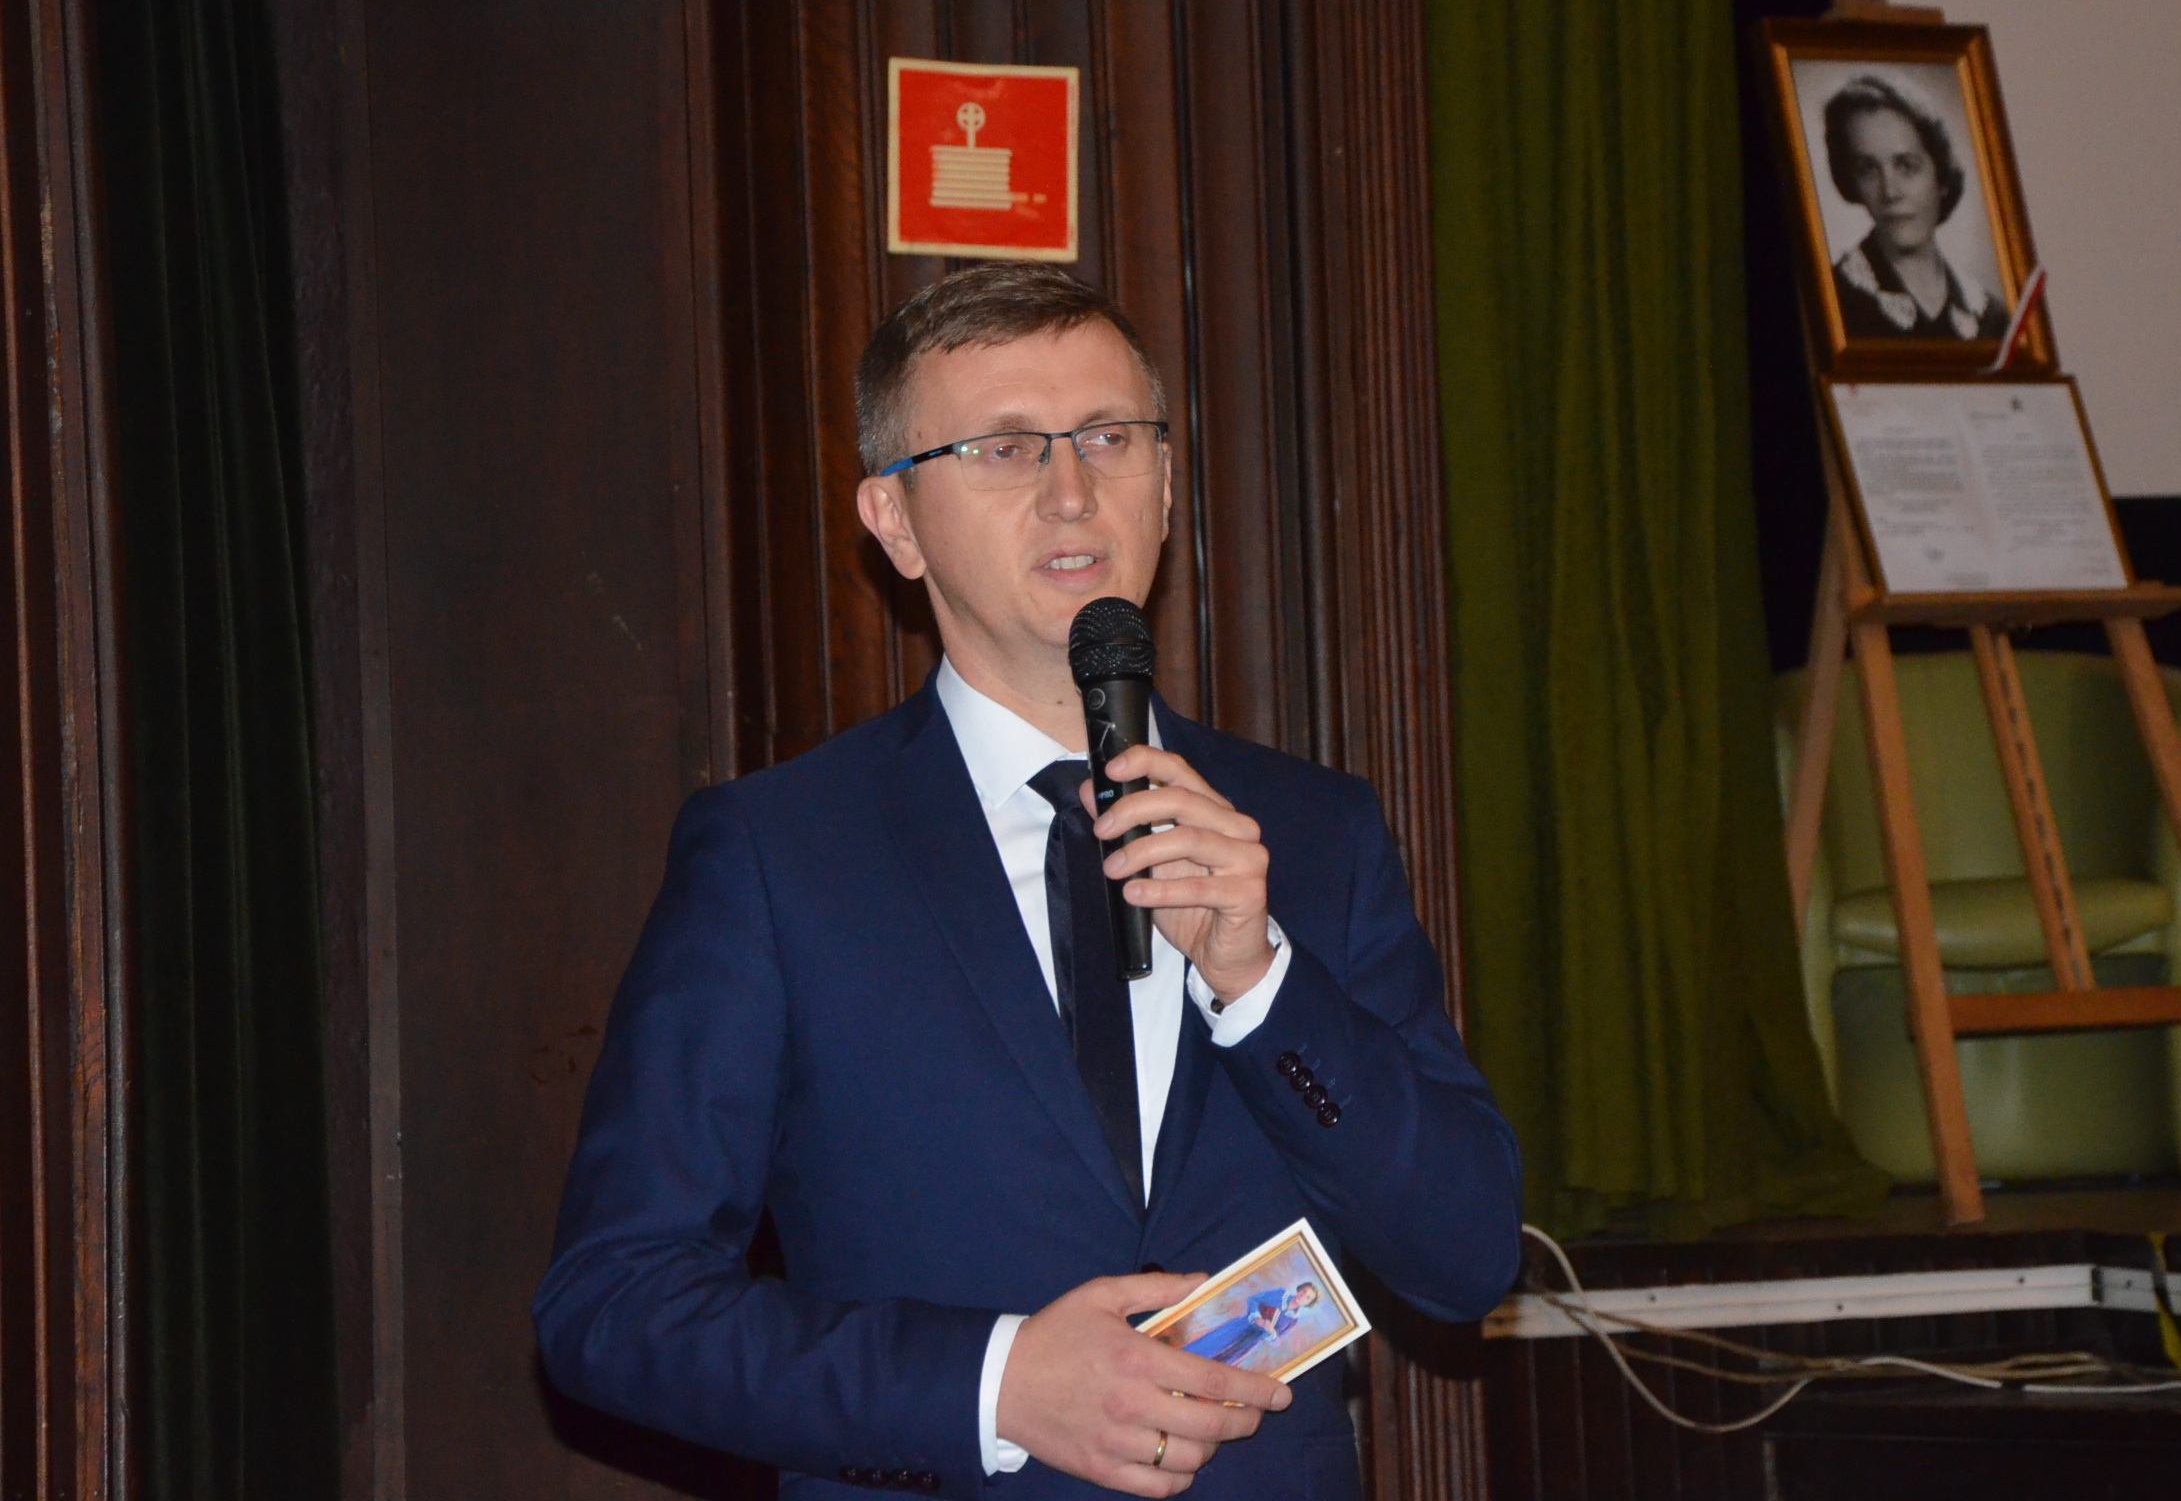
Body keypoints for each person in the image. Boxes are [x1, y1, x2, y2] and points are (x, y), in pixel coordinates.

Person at [533, 262, 1523, 1500]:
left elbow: (1467, 1255)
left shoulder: (1315, 833)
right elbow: (614, 1306)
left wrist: (1261, 984)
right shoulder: (779, 855)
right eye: (1003, 451)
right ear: (894, 523)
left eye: (1110, 438)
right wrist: (995, 1385)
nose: (1070, 492)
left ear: (1167, 484)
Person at [1820, 73, 2010, 342]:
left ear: (1940, 176)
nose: (1890, 192)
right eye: (1867, 170)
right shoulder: (1831, 301)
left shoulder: (1990, 318)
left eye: (1906, 166)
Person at [1185, 1283, 1321, 1368]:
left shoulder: (1293, 1320)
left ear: (1308, 1304)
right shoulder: (1280, 1294)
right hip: (1243, 1325)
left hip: (1252, 1341)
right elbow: (1254, 1299)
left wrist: (1271, 1332)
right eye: (1304, 1291)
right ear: (1299, 1289)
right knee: (1212, 1344)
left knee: (1222, 1361)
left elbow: (1277, 1342)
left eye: (1308, 1297)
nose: (1303, 1296)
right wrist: (1257, 1317)